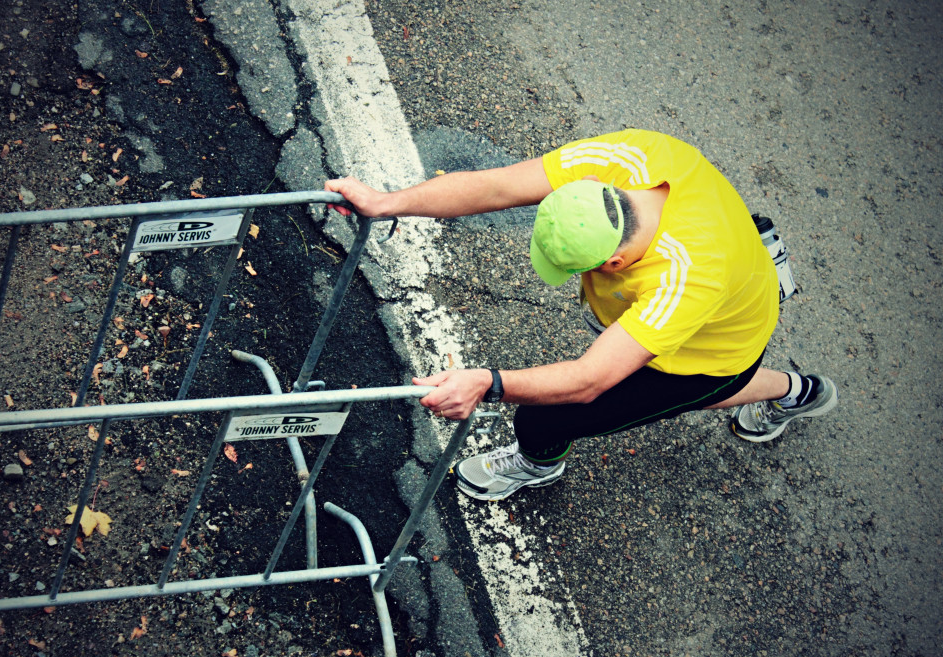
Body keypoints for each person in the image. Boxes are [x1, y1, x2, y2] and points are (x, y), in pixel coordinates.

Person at [325, 129, 838, 501]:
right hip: (729, 283)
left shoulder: (682, 282)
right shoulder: (628, 156)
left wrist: (487, 382)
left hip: (707, 351)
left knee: (550, 414)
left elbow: (589, 380)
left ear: (614, 263)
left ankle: (536, 464)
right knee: (691, 387)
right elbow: (496, 187)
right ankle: (799, 390)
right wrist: (388, 202)